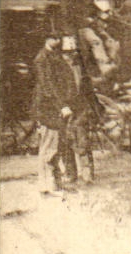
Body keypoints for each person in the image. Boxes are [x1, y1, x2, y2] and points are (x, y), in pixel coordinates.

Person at [33, 32, 91, 195]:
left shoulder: (53, 56)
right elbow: (48, 86)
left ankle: (54, 184)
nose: (58, 42)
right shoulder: (42, 59)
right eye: (55, 38)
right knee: (48, 146)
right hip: (48, 107)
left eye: (59, 39)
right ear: (47, 39)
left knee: (56, 146)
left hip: (55, 107)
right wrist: (62, 106)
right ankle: (46, 185)